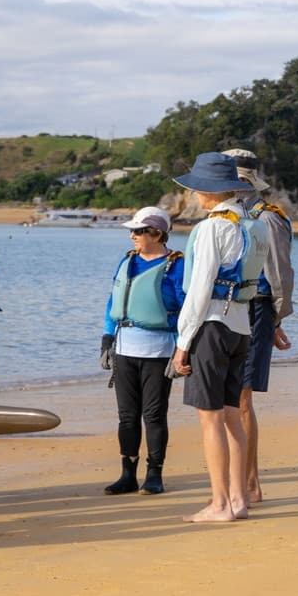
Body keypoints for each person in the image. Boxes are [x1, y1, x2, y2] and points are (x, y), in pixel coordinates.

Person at [169, 152, 266, 523]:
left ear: (208, 191)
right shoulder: (254, 225)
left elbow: (199, 289)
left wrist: (182, 343)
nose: (194, 195)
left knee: (210, 419)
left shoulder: (211, 228)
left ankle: (220, 503)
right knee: (231, 416)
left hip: (211, 326)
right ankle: (239, 500)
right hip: (241, 326)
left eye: (196, 189)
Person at [224, 149, 294, 504]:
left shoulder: (267, 219)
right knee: (229, 399)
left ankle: (251, 484)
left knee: (242, 399)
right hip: (230, 310)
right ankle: (242, 482)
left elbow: (280, 276)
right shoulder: (228, 215)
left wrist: (276, 319)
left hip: (257, 309)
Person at [100, 206, 186, 495]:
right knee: (126, 416)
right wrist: (107, 340)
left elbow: (187, 310)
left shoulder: (176, 266)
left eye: (138, 231)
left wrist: (182, 351)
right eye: (132, 231)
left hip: (159, 352)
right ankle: (127, 474)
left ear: (157, 234)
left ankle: (154, 474)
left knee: (154, 416)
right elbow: (112, 304)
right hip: (125, 350)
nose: (132, 236)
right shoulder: (127, 262)